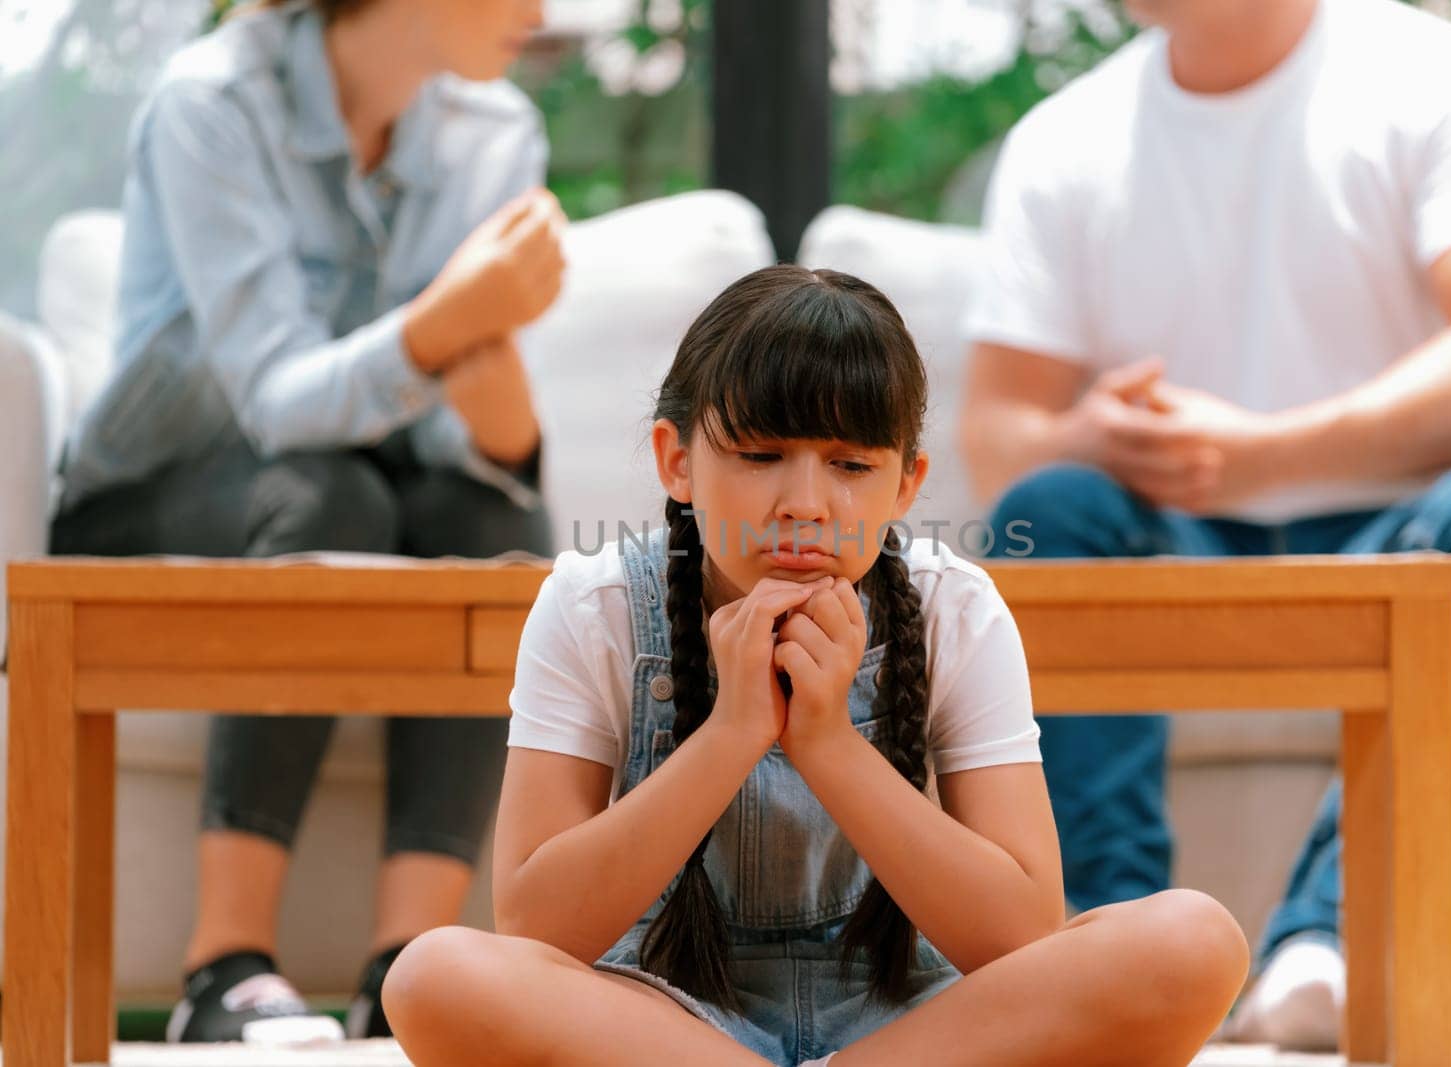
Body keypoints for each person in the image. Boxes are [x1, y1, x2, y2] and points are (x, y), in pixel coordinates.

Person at [377, 265, 1251, 1066]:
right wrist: (732, 733)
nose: (804, 505)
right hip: (666, 1020)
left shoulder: (956, 607)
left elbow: (1020, 933)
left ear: (906, 486)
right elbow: (536, 924)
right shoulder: (593, 603)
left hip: (910, 1022)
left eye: (849, 466)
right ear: (676, 461)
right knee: (433, 975)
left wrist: (830, 740)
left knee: (1192, 939)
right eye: (760, 456)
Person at [960, 0, 1451, 1051]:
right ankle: (1112, 938)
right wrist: (1087, 433)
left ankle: (1323, 942)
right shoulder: (1063, 140)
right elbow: (992, 435)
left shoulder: (1447, 76)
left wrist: (1262, 451)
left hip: (1405, 525)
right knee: (1045, 509)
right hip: (1170, 532)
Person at [48, 0, 564, 1044]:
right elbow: (274, 398)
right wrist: (439, 327)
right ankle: (221, 965)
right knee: (333, 496)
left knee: (483, 518)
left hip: (365, 480)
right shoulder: (210, 103)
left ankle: (407, 972)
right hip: (155, 492)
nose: (541, 11)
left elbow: (434, 421)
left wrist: (505, 447)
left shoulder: (497, 129)